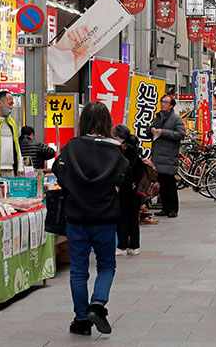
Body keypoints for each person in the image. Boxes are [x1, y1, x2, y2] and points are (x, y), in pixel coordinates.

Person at [53, 102, 128, 336]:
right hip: (105, 217)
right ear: (107, 122)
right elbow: (124, 179)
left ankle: (81, 320)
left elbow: (60, 172)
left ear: (82, 121)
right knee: (106, 265)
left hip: (76, 217)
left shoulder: (71, 147)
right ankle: (97, 303)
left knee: (78, 270)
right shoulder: (115, 148)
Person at [150, 94, 186, 218]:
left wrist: (163, 132)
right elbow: (148, 130)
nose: (162, 104)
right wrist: (151, 130)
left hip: (169, 156)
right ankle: (165, 208)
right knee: (162, 185)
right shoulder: (158, 117)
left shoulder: (176, 119)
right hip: (158, 155)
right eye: (161, 101)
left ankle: (173, 209)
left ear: (171, 105)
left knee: (170, 185)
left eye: (165, 102)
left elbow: (181, 134)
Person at [112, 125, 141, 256]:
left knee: (122, 216)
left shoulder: (123, 149)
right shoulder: (134, 147)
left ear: (118, 137)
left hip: (125, 187)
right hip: (136, 188)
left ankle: (122, 246)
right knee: (133, 217)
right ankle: (134, 246)